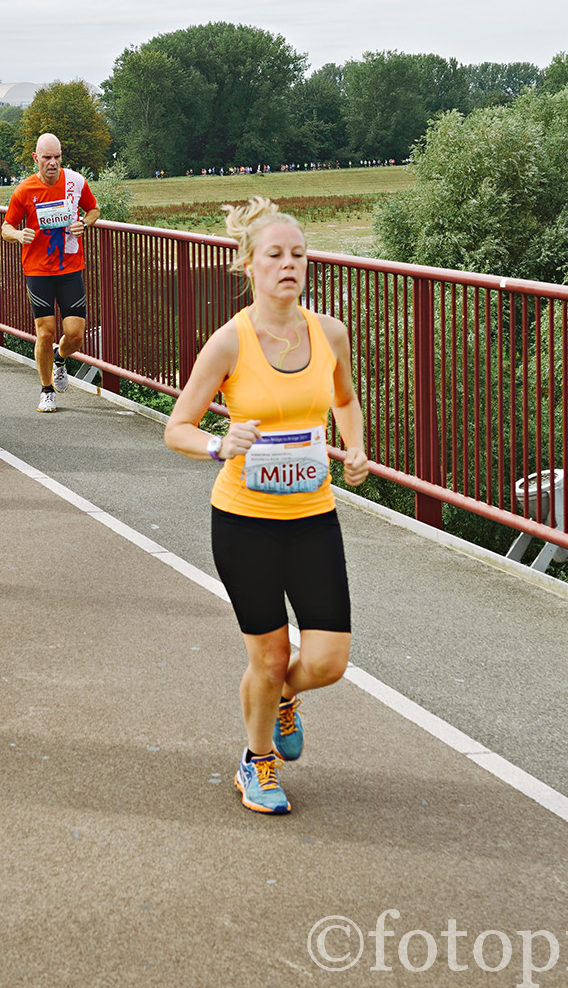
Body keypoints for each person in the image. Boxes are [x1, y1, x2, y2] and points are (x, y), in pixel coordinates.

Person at [163, 197, 369, 814]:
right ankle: (257, 764)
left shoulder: (329, 333)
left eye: (299, 255)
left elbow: (346, 400)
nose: (289, 265)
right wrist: (218, 443)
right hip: (244, 523)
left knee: (328, 660)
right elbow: (176, 426)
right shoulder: (229, 343)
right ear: (248, 265)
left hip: (312, 516)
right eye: (275, 255)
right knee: (271, 653)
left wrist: (355, 449)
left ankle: (282, 696)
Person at [1, 133, 99, 412]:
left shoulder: (76, 182)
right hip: (38, 270)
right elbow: (6, 228)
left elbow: (93, 209)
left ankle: (60, 357)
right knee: (45, 332)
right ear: (36, 159)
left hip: (70, 268)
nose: (53, 163)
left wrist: (85, 223)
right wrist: (19, 235)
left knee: (76, 334)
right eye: (47, 158)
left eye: (57, 157)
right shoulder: (24, 190)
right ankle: (46, 391)